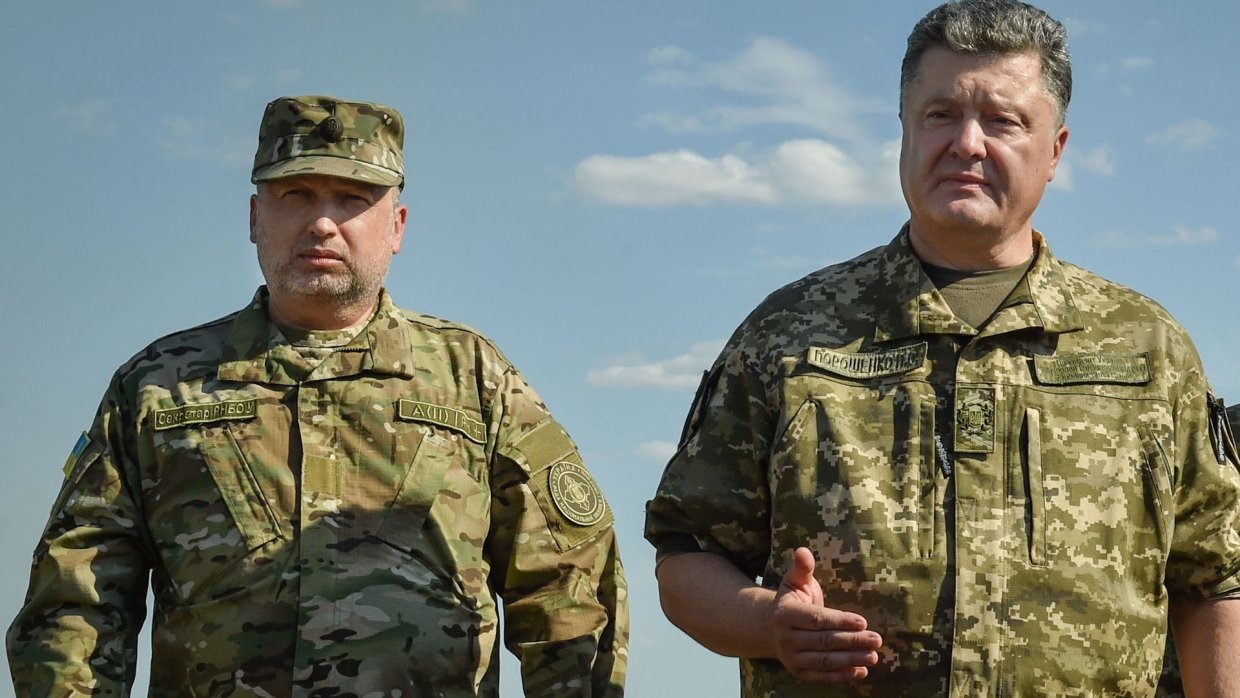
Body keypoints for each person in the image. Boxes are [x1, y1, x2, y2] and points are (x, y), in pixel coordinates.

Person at [645, 1, 1240, 696]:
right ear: (904, 131)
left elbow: (1215, 576)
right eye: (940, 114)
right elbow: (688, 551)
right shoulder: (787, 336)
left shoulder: (1147, 347)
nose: (967, 143)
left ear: (1055, 150)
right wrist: (767, 622)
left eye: (1003, 121)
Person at [8, 95, 628, 696]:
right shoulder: (159, 385)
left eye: (352, 199)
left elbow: (567, 588)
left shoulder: (475, 377)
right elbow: (76, 600)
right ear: (255, 219)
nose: (322, 223)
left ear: (397, 227)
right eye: (295, 196)